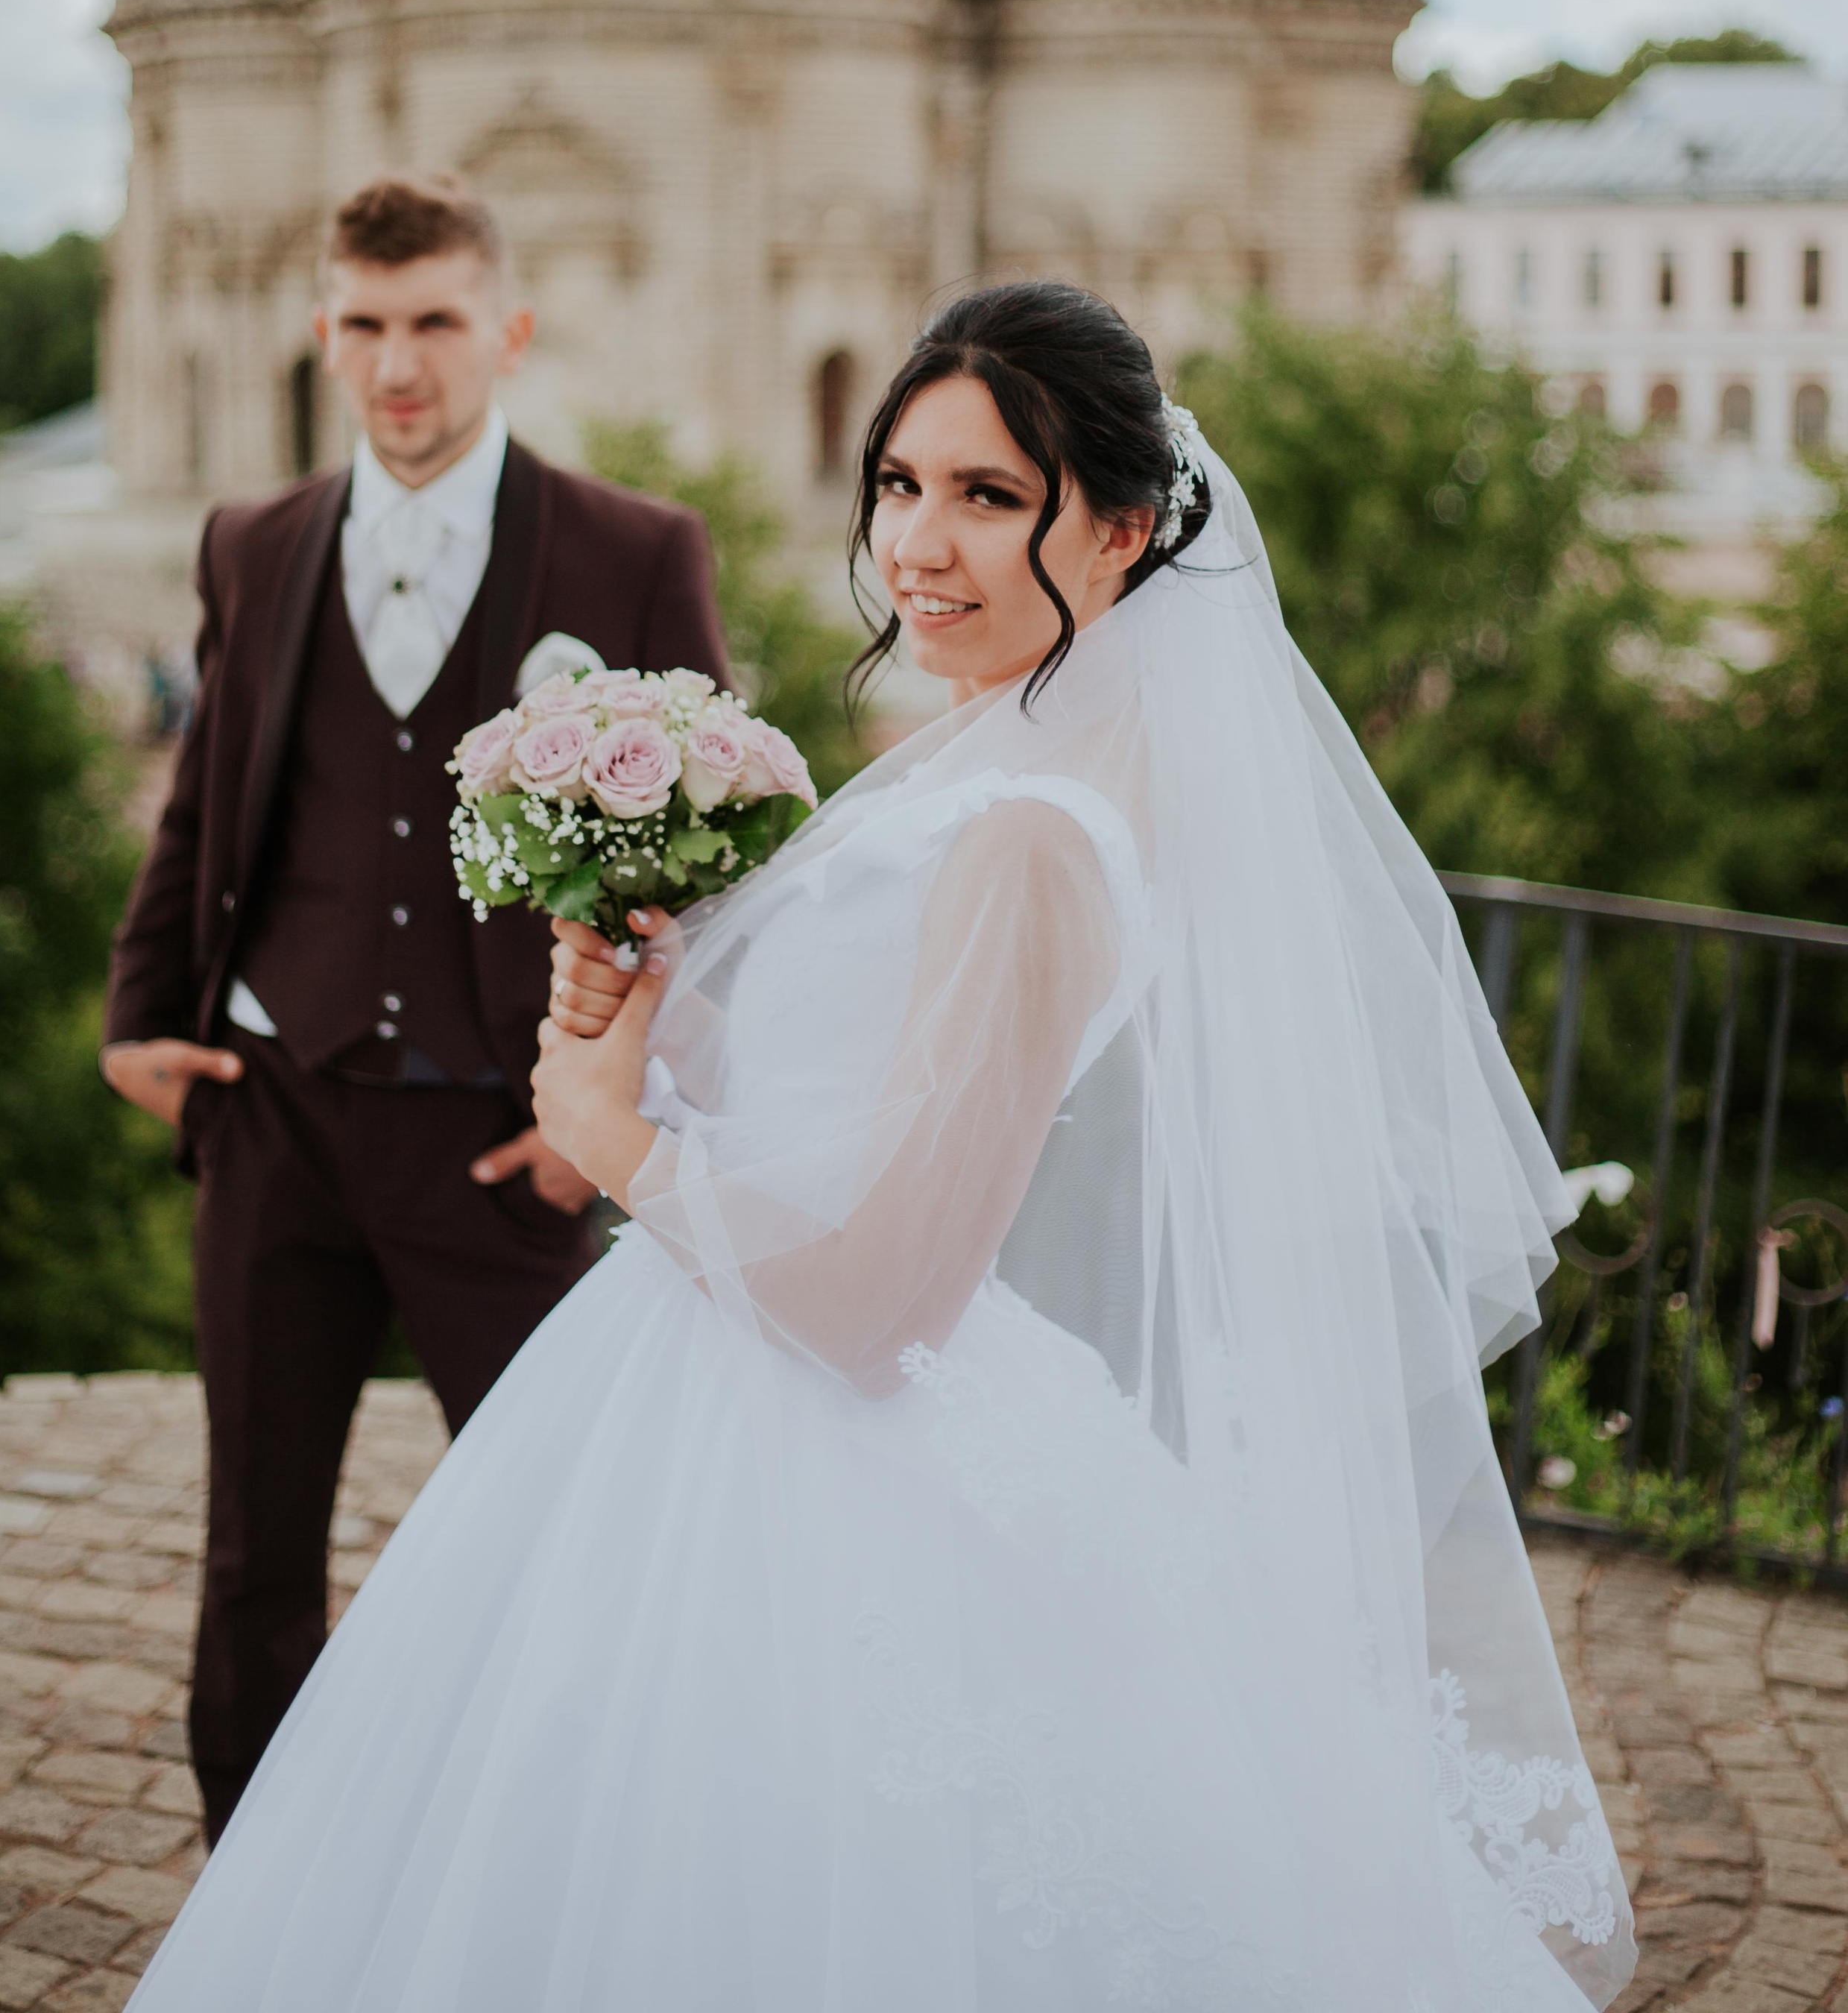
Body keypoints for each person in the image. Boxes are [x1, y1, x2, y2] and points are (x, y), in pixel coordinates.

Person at [125, 280, 1636, 2010]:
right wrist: (642, 995)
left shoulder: (1030, 838)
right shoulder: (980, 753)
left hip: (811, 1418)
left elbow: (882, 1298)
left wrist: (610, 1141)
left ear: (1125, 533)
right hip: (705, 1362)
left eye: (990, 498)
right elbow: (823, 1094)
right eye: (901, 485)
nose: (919, 543)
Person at [101, 171, 728, 1844]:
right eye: (365, 324)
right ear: (325, 331)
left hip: (495, 1140)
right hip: (276, 1113)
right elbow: (204, 801)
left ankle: (562, 1880)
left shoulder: (631, 551)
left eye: (435, 320)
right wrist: (135, 1012)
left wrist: (601, 1109)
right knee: (253, 1561)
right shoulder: (253, 544)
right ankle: (256, 1901)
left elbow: (701, 872)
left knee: (558, 1543)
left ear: (505, 330)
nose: (399, 363)